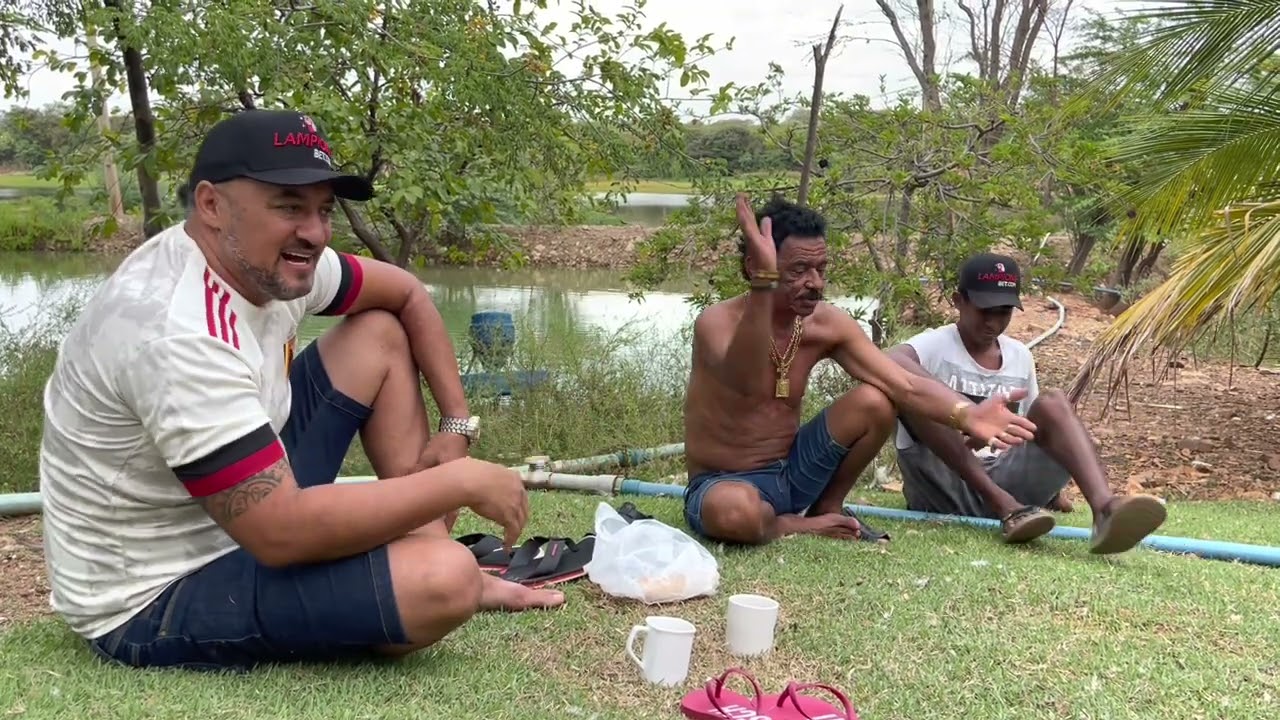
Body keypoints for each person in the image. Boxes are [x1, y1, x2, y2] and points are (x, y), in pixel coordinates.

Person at [37, 109, 563, 673]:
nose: (313, 232)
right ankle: (430, 573)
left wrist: (456, 424)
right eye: (289, 206)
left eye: (323, 210)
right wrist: (454, 481)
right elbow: (280, 532)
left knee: (378, 334)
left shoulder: (266, 260)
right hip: (152, 592)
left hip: (238, 515)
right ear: (212, 206)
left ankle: (421, 550)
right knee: (448, 580)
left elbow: (407, 293)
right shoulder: (177, 331)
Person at [681, 194, 1039, 546]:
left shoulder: (825, 324)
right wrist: (764, 284)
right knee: (736, 514)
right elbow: (748, 381)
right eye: (798, 271)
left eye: (821, 270)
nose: (815, 283)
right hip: (724, 484)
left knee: (876, 400)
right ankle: (790, 525)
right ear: (753, 267)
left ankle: (827, 505)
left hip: (791, 472)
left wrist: (967, 413)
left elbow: (902, 384)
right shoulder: (716, 324)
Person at [886, 252, 1168, 551]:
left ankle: (1105, 509)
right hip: (941, 485)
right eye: (985, 309)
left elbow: (1036, 430)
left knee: (1053, 403)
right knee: (912, 393)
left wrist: (1051, 493)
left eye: (1004, 310)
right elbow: (890, 360)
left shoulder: (1019, 356)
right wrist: (965, 414)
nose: (993, 322)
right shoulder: (934, 345)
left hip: (1009, 485)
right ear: (959, 301)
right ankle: (1003, 505)